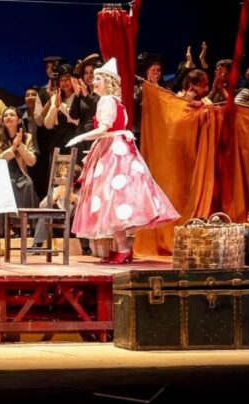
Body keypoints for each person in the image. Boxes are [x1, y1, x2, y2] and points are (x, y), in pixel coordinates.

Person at [66, 58, 179, 264]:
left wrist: (81, 137)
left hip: (112, 151)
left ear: (108, 81)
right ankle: (121, 247)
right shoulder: (116, 101)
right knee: (113, 199)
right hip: (117, 148)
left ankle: (124, 248)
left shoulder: (106, 101)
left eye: (98, 78)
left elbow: (104, 128)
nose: (93, 81)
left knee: (111, 198)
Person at [0, 107, 38, 209]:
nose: (8, 117)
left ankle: (24, 218)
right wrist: (12, 148)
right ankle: (7, 218)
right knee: (8, 184)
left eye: (12, 115)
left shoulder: (27, 137)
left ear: (19, 120)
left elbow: (31, 162)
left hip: (21, 174)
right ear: (3, 121)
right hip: (3, 174)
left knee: (28, 184)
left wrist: (19, 145)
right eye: (5, 115)